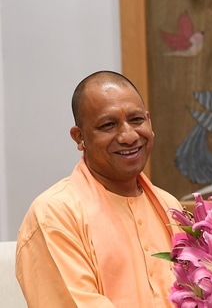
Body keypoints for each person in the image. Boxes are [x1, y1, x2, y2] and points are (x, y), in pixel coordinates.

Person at [15, 71, 183, 307]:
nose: (128, 136)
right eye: (108, 125)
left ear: (149, 121)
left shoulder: (170, 207)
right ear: (79, 137)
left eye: (136, 120)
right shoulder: (55, 214)